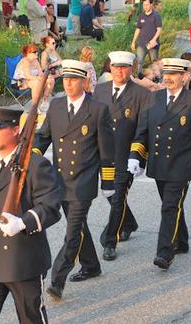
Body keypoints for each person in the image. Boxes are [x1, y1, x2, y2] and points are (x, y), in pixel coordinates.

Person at [0, 107, 62, 323]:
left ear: (16, 130)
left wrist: (23, 222)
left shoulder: (36, 165)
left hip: (22, 259)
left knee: (31, 318)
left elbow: (51, 207)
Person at [33, 59, 115, 301]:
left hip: (83, 182)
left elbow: (106, 150)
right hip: (60, 180)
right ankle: (91, 265)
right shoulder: (57, 106)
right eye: (65, 80)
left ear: (84, 81)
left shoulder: (98, 110)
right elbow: (43, 137)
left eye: (74, 80)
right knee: (78, 227)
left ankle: (57, 279)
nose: (68, 84)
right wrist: (32, 159)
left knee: (72, 231)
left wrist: (107, 183)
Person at [129, 58, 191, 270]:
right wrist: (136, 156)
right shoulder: (154, 98)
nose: (168, 77)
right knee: (172, 205)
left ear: (185, 77)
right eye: (166, 73)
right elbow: (143, 131)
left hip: (181, 165)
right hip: (159, 164)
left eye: (174, 74)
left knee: (170, 206)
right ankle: (182, 240)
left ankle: (165, 253)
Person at [94, 51, 149, 261]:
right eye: (115, 67)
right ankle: (129, 222)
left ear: (131, 70)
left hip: (127, 156)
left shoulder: (142, 95)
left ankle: (110, 241)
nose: (119, 71)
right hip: (104, 155)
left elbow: (144, 129)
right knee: (110, 195)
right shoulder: (99, 91)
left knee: (117, 198)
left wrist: (139, 156)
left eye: (124, 67)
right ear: (110, 68)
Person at [131, 0, 163, 77]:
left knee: (154, 62)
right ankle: (136, 79)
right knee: (138, 61)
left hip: (153, 44)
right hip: (142, 44)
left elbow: (159, 29)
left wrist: (153, 40)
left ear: (151, 5)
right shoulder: (141, 16)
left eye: (147, 5)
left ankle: (156, 79)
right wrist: (133, 42)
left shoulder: (156, 15)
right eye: (144, 5)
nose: (145, 7)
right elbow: (138, 29)